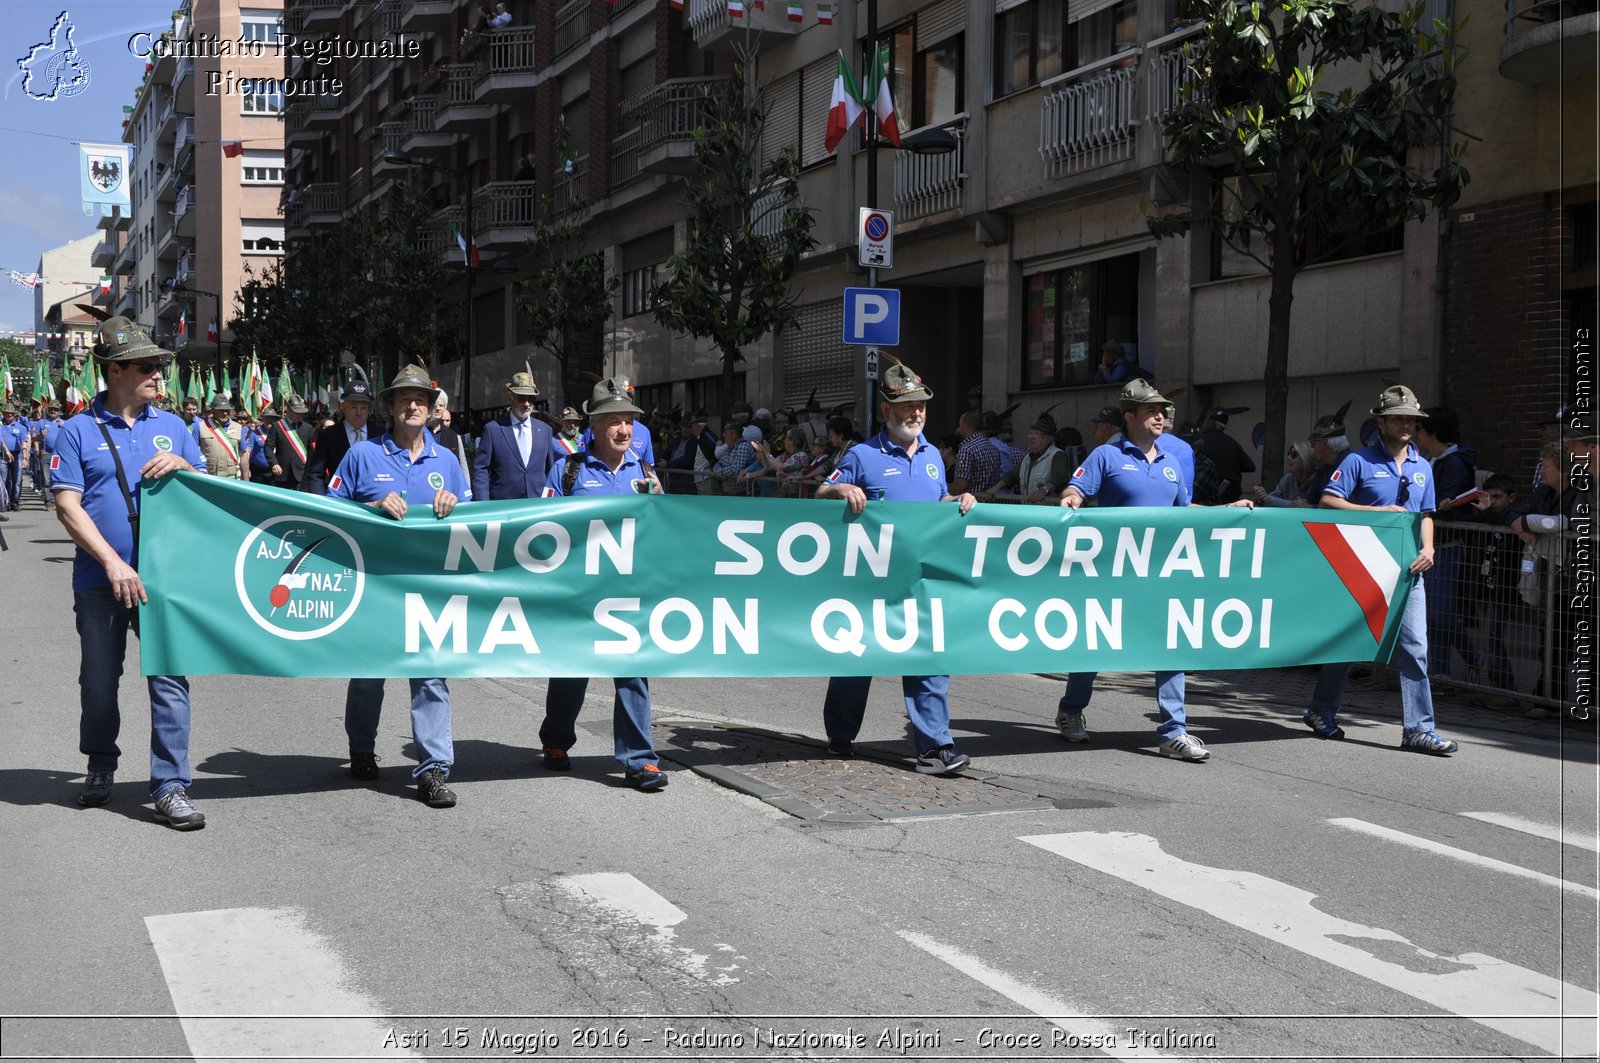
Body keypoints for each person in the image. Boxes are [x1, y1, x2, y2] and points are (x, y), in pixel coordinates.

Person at [51, 316, 208, 829]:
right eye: (148, 366)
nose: (158, 376)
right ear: (115, 370)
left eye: (159, 367)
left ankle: (170, 785)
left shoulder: (174, 427)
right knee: (99, 680)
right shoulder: (75, 431)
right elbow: (68, 507)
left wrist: (186, 467)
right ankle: (100, 765)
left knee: (169, 680)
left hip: (165, 581)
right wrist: (113, 562)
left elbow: (208, 494)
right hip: (101, 581)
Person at [1056, 379, 1253, 760]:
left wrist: (1221, 513)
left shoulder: (1173, 462)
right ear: (1130, 417)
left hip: (1161, 572)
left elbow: (1183, 514)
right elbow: (1074, 492)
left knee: (1172, 643)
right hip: (1113, 571)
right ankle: (1071, 710)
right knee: (1095, 643)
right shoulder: (1105, 456)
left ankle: (1173, 732)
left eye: (1163, 411)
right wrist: (1070, 499)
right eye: (1152, 411)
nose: (1161, 416)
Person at [815, 357, 976, 775]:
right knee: (858, 659)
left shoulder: (932, 457)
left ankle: (935, 747)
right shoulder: (863, 455)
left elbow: (937, 502)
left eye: (921, 405)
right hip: (871, 582)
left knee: (929, 657)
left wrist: (957, 501)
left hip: (921, 580)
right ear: (886, 410)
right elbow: (820, 490)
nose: (917, 412)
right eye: (907, 406)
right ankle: (840, 735)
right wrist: (841, 488)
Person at [329, 363, 473, 807]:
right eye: (405, 399)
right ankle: (361, 748)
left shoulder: (447, 461)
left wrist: (455, 504)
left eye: (422, 400)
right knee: (369, 675)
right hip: (375, 585)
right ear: (390, 407)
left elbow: (472, 523)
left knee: (430, 676)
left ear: (431, 409)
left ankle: (433, 770)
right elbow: (331, 513)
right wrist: (371, 506)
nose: (414, 405)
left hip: (429, 586)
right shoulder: (362, 456)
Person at [1304, 384, 1459, 755]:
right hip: (1361, 567)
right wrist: (1377, 513)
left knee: (1416, 648)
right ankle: (1321, 711)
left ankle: (1418, 730)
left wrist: (1430, 547)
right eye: (1398, 418)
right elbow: (1327, 502)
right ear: (1381, 422)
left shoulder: (1424, 466)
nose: (1406, 425)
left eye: (1411, 419)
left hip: (1408, 571)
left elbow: (1425, 515)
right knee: (1349, 644)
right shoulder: (1358, 461)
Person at [538, 379, 670, 792]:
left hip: (629, 592)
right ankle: (556, 742)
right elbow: (541, 527)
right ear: (592, 426)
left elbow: (664, 532)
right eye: (613, 422)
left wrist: (662, 503)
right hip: (579, 591)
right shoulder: (568, 469)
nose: (623, 431)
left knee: (633, 672)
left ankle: (640, 760)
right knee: (571, 671)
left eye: (628, 422)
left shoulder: (644, 471)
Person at [1415, 406, 1483, 680]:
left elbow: (1437, 503)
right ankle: (1440, 674)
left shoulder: (1451, 463)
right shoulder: (1434, 460)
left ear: (1431, 432)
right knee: (1433, 615)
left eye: (1419, 428)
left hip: (1447, 545)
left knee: (1440, 614)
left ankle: (1473, 657)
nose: (1416, 434)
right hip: (1434, 543)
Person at [472, 370, 553, 501]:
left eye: (531, 399)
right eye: (521, 398)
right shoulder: (493, 430)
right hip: (504, 507)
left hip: (538, 505)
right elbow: (481, 470)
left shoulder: (545, 430)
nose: (526, 404)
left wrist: (550, 502)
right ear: (510, 398)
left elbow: (550, 471)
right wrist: (483, 505)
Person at [307, 374, 374, 495]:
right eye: (354, 408)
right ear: (343, 407)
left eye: (363, 408)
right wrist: (322, 503)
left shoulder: (380, 434)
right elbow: (316, 474)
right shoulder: (328, 435)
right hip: (339, 502)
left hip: (374, 503)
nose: (359, 413)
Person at [983, 411, 1071, 504]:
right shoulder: (1028, 457)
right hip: (1028, 510)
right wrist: (995, 488)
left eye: (1037, 434)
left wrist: (1043, 490)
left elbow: (1059, 478)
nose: (1031, 437)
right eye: (1030, 433)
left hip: (1047, 512)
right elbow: (1011, 476)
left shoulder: (1057, 455)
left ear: (1049, 439)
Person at [1200, 406, 1255, 503]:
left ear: (1211, 423)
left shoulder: (1201, 441)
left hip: (1208, 499)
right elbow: (1250, 466)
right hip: (1231, 498)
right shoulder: (1233, 444)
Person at [264, 394, 316, 490]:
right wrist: (274, 463)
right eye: (297, 412)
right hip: (282, 474)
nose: (300, 415)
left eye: (301, 412)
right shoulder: (277, 426)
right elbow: (268, 447)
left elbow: (311, 451)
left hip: (301, 474)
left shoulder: (308, 428)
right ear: (288, 411)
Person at [194, 393, 251, 479]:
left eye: (227, 410)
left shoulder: (238, 428)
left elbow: (243, 455)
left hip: (231, 478)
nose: (225, 413)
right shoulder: (200, 427)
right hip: (208, 476)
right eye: (221, 410)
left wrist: (246, 479)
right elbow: (192, 452)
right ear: (213, 411)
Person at [951, 411, 1002, 496]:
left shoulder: (967, 450)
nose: (958, 429)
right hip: (990, 504)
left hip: (970, 505)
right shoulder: (993, 448)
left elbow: (961, 486)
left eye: (960, 425)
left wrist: (942, 495)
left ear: (965, 426)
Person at [1253, 442, 1317, 507]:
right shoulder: (1288, 479)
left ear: (1305, 458)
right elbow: (1271, 500)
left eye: (1293, 455)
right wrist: (1261, 499)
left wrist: (1267, 499)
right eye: (1289, 454)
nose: (1288, 458)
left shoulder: (1319, 480)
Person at [429, 390, 471, 484]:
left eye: (441, 405)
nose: (438, 408)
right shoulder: (419, 432)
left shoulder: (453, 436)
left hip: (449, 489)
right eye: (435, 404)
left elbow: (462, 465)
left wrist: (467, 489)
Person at [1, 405, 27, 510]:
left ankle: (14, 501)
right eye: (7, 413)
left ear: (15, 415)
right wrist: (6, 451)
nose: (9, 415)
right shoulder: (0, 425)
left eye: (12, 413)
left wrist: (25, 457)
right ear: (4, 414)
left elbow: (24, 442)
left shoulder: (21, 427)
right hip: (3, 455)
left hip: (17, 455)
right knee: (4, 480)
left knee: (17, 480)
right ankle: (5, 502)